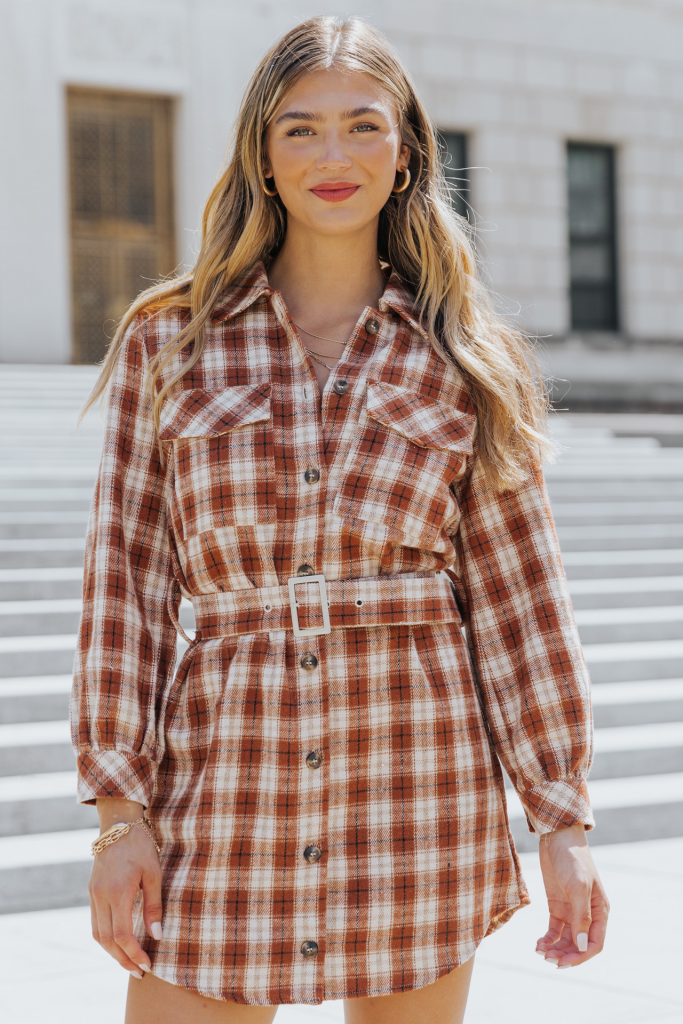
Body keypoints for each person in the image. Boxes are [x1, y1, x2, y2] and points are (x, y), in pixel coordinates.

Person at [72, 16, 609, 1024]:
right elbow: (126, 586)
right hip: (223, 791)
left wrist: (560, 817)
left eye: (362, 126)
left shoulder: (467, 355)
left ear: (405, 152)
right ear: (261, 158)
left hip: (416, 787)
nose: (332, 155)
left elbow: (521, 597)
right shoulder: (170, 342)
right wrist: (117, 818)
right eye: (298, 130)